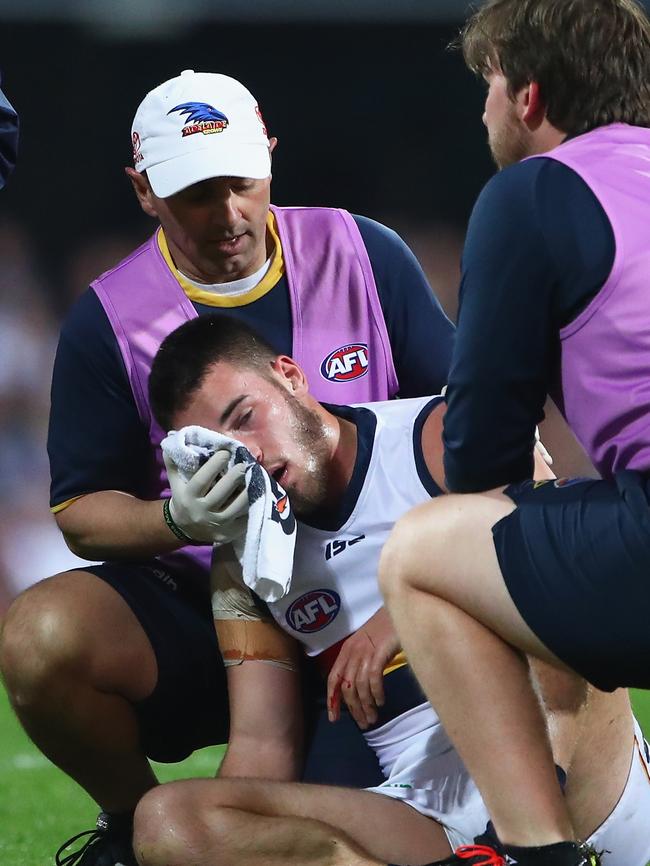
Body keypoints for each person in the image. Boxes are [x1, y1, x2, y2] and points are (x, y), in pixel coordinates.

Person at [0, 70, 454, 865]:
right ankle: (134, 827)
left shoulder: (364, 254)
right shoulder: (107, 319)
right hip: (214, 601)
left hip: (379, 587)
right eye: (197, 193)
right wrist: (177, 521)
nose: (230, 212)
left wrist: (414, 591)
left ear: (270, 154)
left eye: (240, 181)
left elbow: (471, 428)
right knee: (40, 637)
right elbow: (78, 509)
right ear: (144, 192)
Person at [126, 314, 647, 866]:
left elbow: (565, 571)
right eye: (222, 451)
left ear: (289, 376)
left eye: (247, 418)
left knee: (550, 602)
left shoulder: (441, 435)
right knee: (168, 822)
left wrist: (404, 612)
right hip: (429, 812)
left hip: (572, 776)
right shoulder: (244, 556)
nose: (248, 456)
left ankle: (538, 853)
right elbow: (263, 745)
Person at [377, 1, 650, 865]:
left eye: (489, 83)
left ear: (529, 96)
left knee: (424, 551)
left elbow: (483, 450)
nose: (482, 108)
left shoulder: (534, 191)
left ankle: (536, 849)